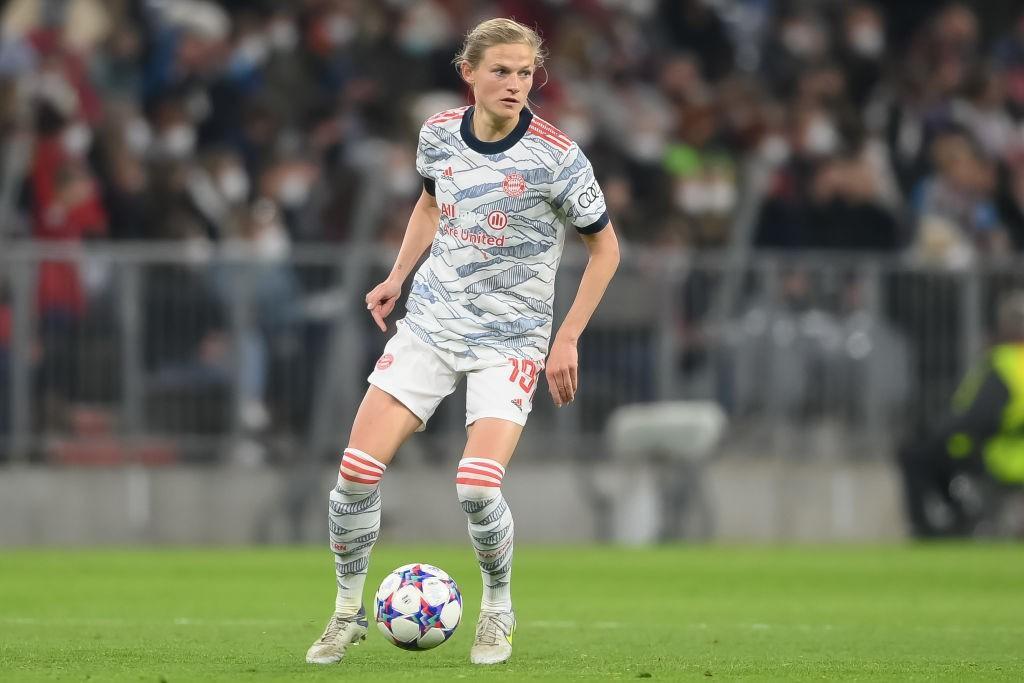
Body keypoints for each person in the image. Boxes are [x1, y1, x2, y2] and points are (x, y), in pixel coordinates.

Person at [305, 18, 620, 666]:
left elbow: (605, 247)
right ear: (469, 73)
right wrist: (398, 275)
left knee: (477, 486)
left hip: (511, 340)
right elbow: (429, 204)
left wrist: (568, 338)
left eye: (525, 72)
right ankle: (345, 612)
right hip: (432, 322)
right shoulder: (439, 135)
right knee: (354, 475)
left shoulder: (558, 157)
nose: (514, 83)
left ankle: (498, 609)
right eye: (500, 70)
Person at [898, 290, 1024, 538]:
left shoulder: (1004, 361)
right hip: (1010, 449)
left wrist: (940, 430)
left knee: (917, 452)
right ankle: (961, 515)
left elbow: (978, 418)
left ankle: (934, 526)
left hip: (1001, 455)